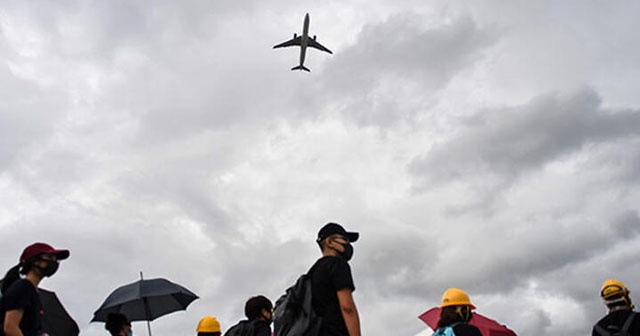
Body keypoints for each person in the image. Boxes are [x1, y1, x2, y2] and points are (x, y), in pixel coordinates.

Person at [0, 242, 70, 336]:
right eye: (50, 257)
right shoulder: (23, 287)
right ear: (35, 261)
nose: (54, 262)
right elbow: (10, 327)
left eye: (55, 259)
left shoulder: (33, 292)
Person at [310, 222, 361, 336]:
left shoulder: (313, 271)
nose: (347, 244)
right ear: (330, 242)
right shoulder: (338, 265)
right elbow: (347, 307)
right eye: (344, 240)